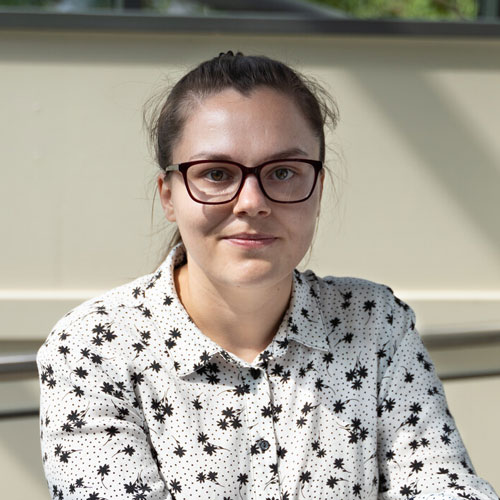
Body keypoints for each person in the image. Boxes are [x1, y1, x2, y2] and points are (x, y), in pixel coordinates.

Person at [37, 51, 498, 500]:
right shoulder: (93, 349)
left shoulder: (376, 325)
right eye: (216, 173)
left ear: (318, 188)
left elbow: (442, 484)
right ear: (169, 196)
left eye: (282, 172)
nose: (251, 201)